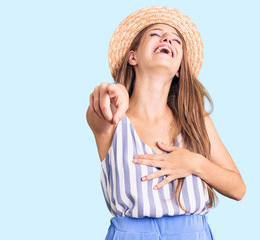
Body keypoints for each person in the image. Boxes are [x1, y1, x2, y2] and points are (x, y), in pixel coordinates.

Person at [86, 6, 246, 240]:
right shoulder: (112, 120)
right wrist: (114, 91)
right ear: (133, 57)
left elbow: (238, 188)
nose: (167, 39)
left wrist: (194, 163)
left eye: (176, 40)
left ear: (180, 69)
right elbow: (99, 107)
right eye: (155, 34)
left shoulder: (195, 120)